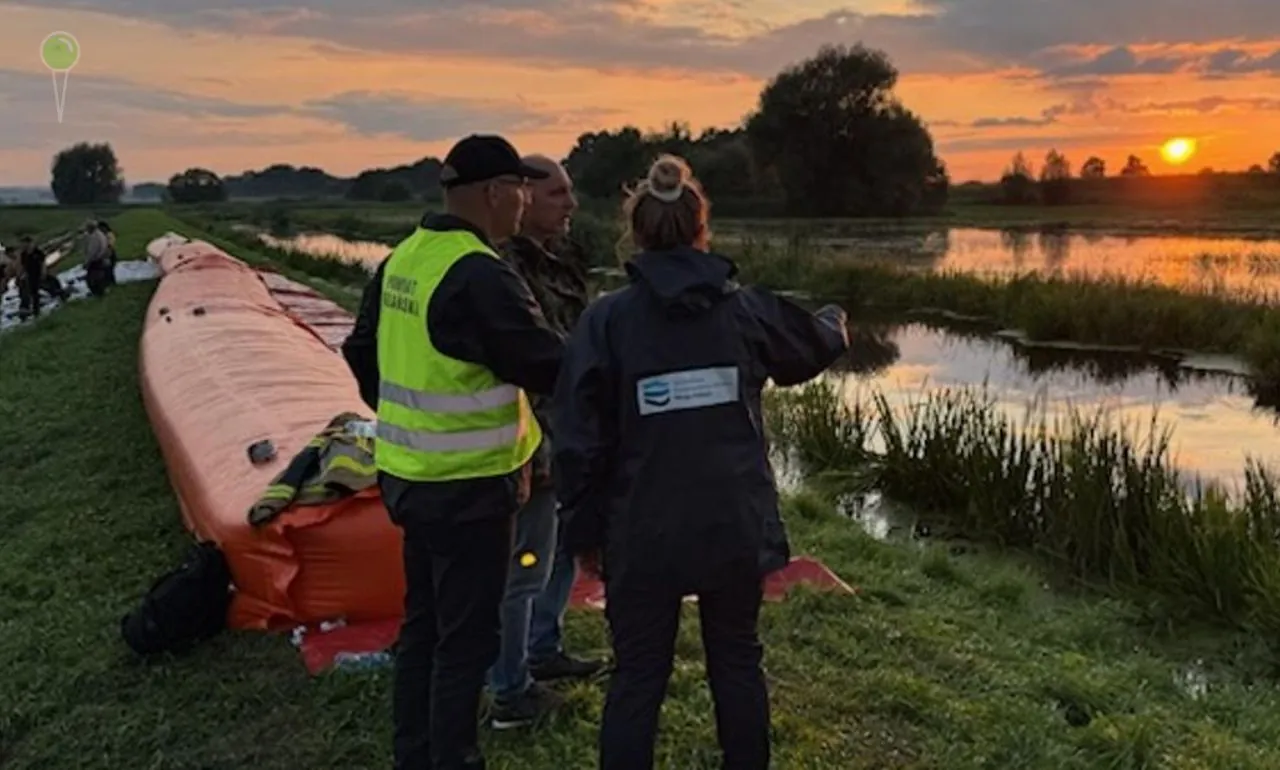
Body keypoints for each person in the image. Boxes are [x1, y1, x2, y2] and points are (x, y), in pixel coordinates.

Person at [552, 154, 850, 770]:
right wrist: (834, 324)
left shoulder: (606, 320)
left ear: (636, 234)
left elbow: (577, 444)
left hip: (640, 529)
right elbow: (810, 346)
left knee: (637, 675)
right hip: (732, 523)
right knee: (737, 659)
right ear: (700, 228)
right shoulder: (744, 312)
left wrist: (583, 534)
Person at [340, 134, 566, 770]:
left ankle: (412, 754)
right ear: (495, 193)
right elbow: (547, 362)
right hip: (469, 487)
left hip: (409, 476)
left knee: (425, 628)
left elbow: (361, 352)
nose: (524, 201)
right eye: (521, 188)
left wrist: (407, 419)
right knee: (467, 642)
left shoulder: (404, 259)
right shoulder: (480, 273)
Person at [486, 155, 607, 730]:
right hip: (531, 441)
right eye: (558, 194)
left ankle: (543, 647)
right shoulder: (504, 268)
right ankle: (511, 688)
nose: (571, 204)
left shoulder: (562, 259)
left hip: (570, 438)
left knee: (559, 550)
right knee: (524, 566)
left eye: (570, 192)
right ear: (524, 196)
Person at [17, 236, 47, 319]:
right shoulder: (23, 254)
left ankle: (36, 310)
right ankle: (33, 310)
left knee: (36, 291)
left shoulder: (37, 251)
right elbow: (22, 265)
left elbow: (43, 262)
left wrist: (43, 271)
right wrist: (20, 275)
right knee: (32, 292)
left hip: (37, 273)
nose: (23, 245)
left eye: (24, 243)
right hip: (29, 274)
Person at [82, 220, 112, 297]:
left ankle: (97, 293)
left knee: (92, 279)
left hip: (96, 260)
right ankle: (101, 291)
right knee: (100, 276)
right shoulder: (99, 234)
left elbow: (92, 252)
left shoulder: (94, 237)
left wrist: (87, 262)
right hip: (102, 258)